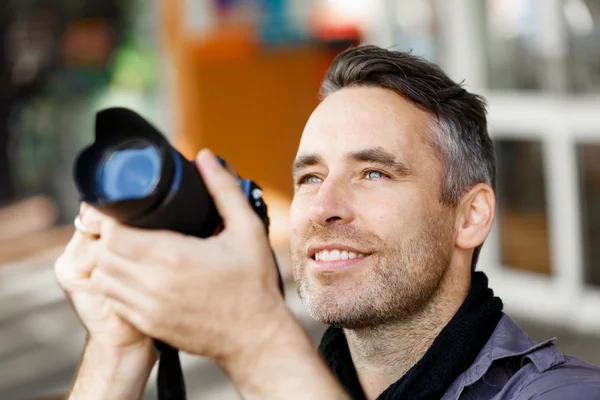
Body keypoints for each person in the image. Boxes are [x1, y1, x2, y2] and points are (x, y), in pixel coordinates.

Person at [55, 45, 600, 400]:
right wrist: (116, 351)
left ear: (470, 215)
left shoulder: (564, 392)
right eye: (310, 178)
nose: (323, 207)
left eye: (374, 174)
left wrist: (256, 339)